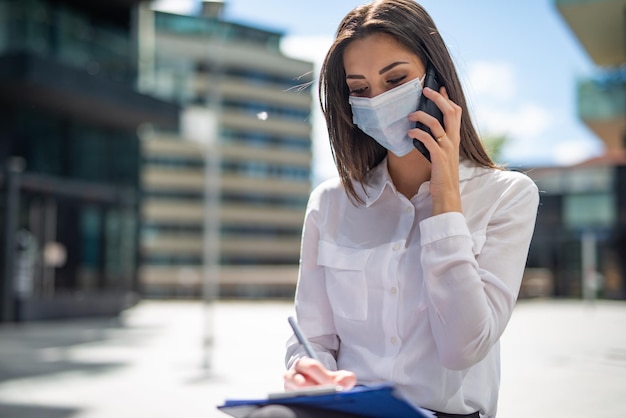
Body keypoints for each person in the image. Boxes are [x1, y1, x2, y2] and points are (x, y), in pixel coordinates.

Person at [254, 1, 539, 417]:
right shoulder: (331, 202)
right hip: (348, 409)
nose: (378, 100)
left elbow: (464, 347)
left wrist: (446, 202)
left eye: (396, 79)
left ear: (438, 79)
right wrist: (307, 369)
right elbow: (312, 336)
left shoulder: (508, 196)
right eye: (360, 89)